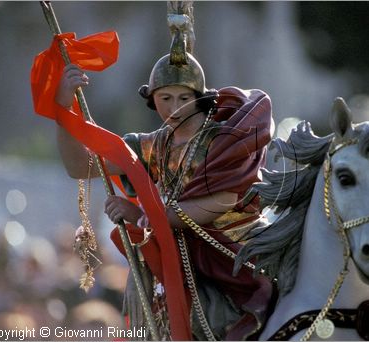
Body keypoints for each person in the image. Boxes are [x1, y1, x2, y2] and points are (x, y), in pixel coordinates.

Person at [54, 46, 274, 339]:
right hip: (176, 258)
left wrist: (145, 216)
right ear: (152, 99)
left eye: (184, 98)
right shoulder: (149, 146)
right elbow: (81, 166)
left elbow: (224, 200)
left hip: (234, 258)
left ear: (199, 98)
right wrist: (63, 108)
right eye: (165, 98)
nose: (175, 108)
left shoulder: (221, 142)